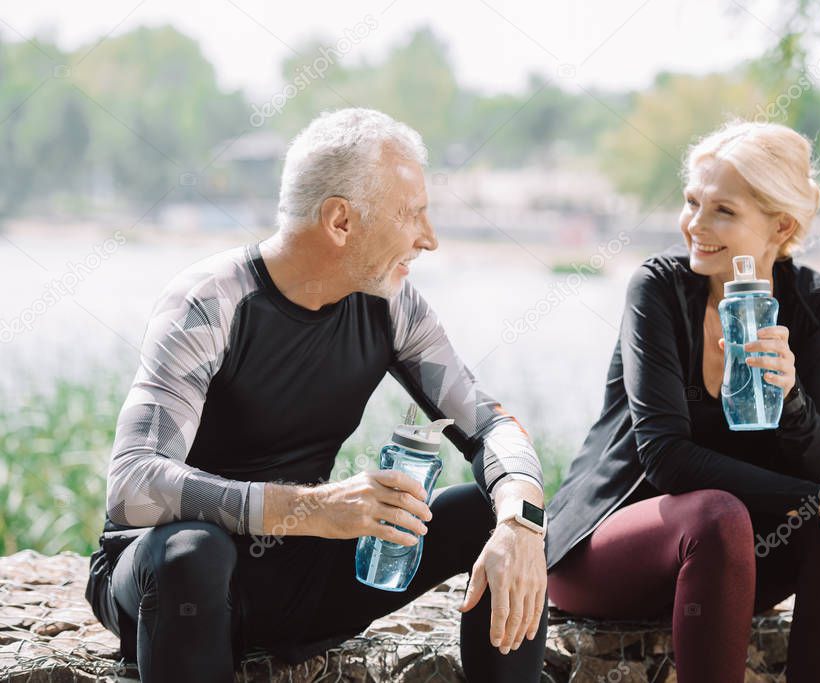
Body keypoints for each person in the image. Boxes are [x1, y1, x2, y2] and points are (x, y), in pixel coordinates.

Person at [84, 108, 548, 683]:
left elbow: (490, 425)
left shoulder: (392, 305)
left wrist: (521, 522)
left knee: (493, 516)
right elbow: (132, 485)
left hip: (302, 576)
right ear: (340, 222)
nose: (428, 239)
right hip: (177, 584)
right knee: (195, 551)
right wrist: (311, 509)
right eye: (412, 215)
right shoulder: (211, 302)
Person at [544, 120, 820, 683]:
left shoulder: (814, 306)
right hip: (606, 551)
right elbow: (666, 458)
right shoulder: (657, 289)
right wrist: (816, 499)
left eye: (723, 211)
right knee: (729, 512)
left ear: (781, 225)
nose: (695, 226)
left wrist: (791, 397)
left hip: (723, 567)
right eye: (691, 202)